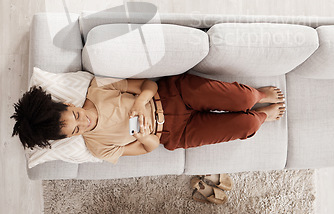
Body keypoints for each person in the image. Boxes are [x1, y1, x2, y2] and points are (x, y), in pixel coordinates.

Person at [11, 72, 286, 164]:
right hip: (176, 133)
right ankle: (261, 116)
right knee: (249, 124)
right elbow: (148, 148)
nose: (84, 123)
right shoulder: (98, 148)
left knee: (245, 100)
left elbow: (149, 85)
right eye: (76, 130)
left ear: (70, 103)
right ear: (71, 137)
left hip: (173, 95)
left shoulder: (98, 89)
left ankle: (256, 97)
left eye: (76, 115)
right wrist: (144, 136)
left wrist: (140, 102)